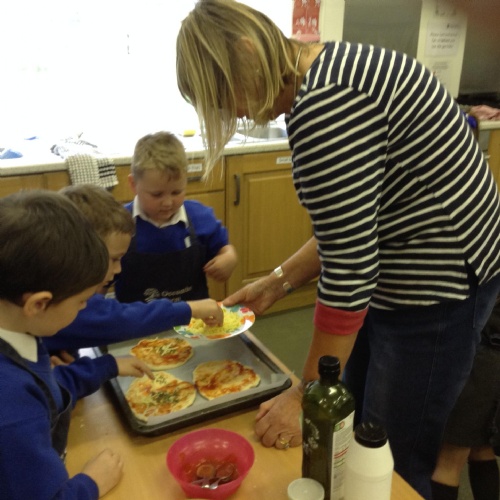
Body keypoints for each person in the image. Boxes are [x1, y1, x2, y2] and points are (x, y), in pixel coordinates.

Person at [175, 1, 500, 498]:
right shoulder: (328, 70)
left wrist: (304, 394)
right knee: (356, 420)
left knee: (389, 455)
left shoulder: (327, 103)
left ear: (247, 53)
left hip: (440, 286)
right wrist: (276, 284)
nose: (235, 112)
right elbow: (346, 226)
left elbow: (350, 266)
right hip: (407, 269)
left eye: (226, 95)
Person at [0, 190, 154, 500]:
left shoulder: (20, 332)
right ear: (38, 304)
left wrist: (107, 366)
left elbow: (47, 390)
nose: (85, 308)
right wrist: (91, 482)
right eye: (82, 301)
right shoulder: (12, 407)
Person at [44, 184, 223, 357]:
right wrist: (189, 309)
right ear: (80, 253)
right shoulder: (59, 304)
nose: (118, 269)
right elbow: (119, 319)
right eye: (114, 259)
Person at [430, 113, 500, 500]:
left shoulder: (455, 209)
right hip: (491, 346)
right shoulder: (483, 193)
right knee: (480, 447)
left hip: (484, 346)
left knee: (448, 459)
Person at [114, 131, 237, 304]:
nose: (167, 202)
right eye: (157, 194)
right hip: (136, 320)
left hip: (194, 318)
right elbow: (100, 281)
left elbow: (225, 250)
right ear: (133, 184)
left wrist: (229, 258)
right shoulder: (119, 224)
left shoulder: (200, 217)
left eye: (176, 192)